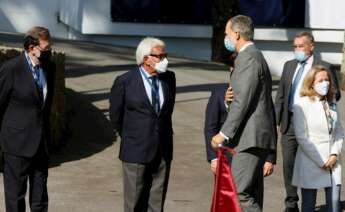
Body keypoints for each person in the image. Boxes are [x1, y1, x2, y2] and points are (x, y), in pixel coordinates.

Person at [211, 15, 277, 212]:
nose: (226, 38)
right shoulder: (253, 56)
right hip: (253, 138)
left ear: (237, 34)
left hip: (250, 138)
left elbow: (243, 102)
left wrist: (223, 134)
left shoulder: (248, 58)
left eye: (227, 34)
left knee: (239, 192)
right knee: (251, 193)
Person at [275, 31, 342, 212]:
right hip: (289, 123)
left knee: (314, 164)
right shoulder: (289, 66)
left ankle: (314, 202)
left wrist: (321, 93)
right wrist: (278, 119)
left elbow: (336, 94)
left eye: (301, 46)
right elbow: (281, 94)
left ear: (311, 46)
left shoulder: (324, 67)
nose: (297, 50)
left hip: (315, 126)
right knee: (289, 165)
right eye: (294, 46)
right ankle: (291, 204)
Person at [109, 37, 176, 212]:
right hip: (135, 151)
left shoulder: (169, 78)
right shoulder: (125, 81)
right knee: (134, 204)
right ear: (146, 59)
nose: (165, 60)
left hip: (163, 150)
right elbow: (116, 117)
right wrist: (134, 136)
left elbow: (167, 112)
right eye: (160, 56)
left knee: (157, 203)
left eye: (166, 55)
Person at [0, 26, 55, 212]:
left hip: (41, 144)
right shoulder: (11, 69)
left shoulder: (50, 67)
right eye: (46, 49)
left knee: (40, 199)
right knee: (15, 197)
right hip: (16, 144)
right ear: (31, 48)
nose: (49, 53)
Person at [292, 65, 343, 212]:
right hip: (311, 161)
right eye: (320, 80)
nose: (325, 83)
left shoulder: (332, 102)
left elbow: (339, 130)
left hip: (333, 162)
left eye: (327, 80)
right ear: (311, 83)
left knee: (334, 205)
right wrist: (321, 161)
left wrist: (334, 154)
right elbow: (302, 137)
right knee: (308, 206)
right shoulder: (301, 104)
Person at [204, 85, 276, 177]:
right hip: (225, 158)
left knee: (250, 190)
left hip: (254, 157)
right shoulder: (219, 93)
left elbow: (270, 127)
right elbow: (210, 127)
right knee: (227, 190)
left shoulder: (262, 94)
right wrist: (214, 158)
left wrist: (270, 159)